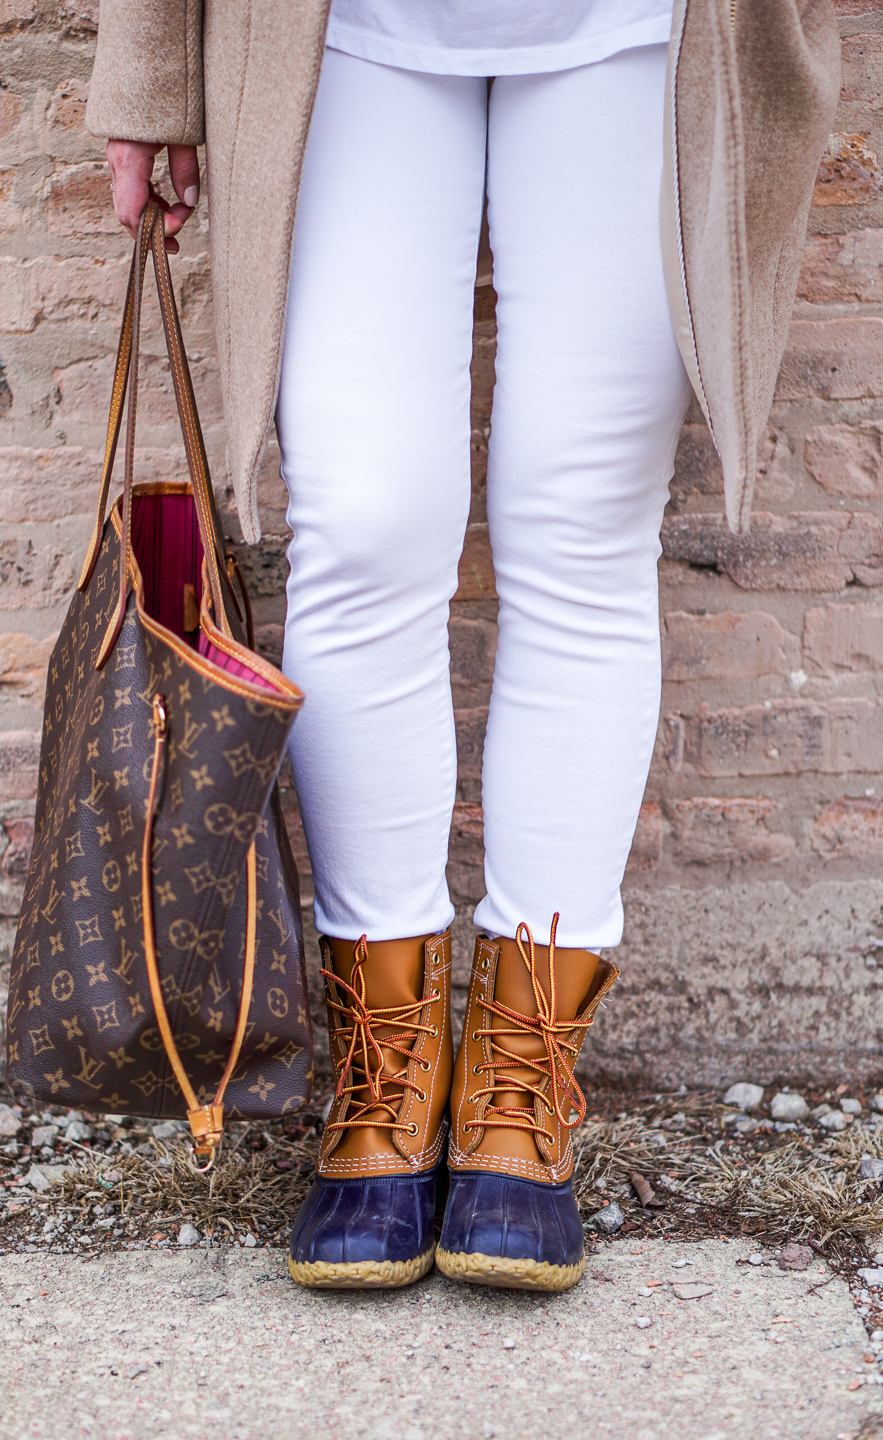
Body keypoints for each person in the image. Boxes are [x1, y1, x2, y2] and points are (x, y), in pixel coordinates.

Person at [88, 0, 840, 1291]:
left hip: (638, 29)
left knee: (585, 523)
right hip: (350, 28)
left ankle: (517, 1080)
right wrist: (148, 62)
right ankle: (387, 1073)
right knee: (366, 520)